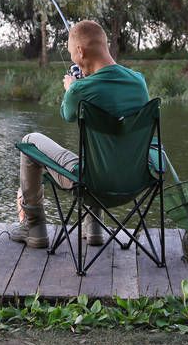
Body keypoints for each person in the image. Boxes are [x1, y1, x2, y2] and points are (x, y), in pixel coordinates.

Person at [8, 19, 150, 248]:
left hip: (92, 185)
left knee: (29, 141)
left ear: (81, 52)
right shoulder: (139, 82)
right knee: (97, 155)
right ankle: (93, 229)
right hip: (135, 180)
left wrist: (71, 88)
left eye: (72, 53)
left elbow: (67, 114)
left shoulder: (79, 89)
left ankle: (34, 228)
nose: (73, 58)